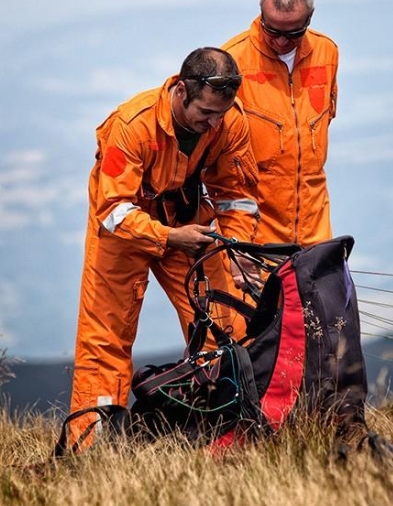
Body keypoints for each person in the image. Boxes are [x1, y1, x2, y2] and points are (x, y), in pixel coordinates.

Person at [69, 47, 260, 449]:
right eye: (205, 113)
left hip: (186, 221)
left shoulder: (229, 122)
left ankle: (223, 433)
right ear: (182, 90)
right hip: (122, 231)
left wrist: (240, 250)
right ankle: (91, 448)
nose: (212, 124)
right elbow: (112, 210)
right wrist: (170, 238)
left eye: (220, 114)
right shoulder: (132, 125)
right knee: (105, 340)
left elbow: (236, 197)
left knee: (223, 324)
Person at [222, 0, 338, 246]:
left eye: (293, 33)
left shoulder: (327, 52)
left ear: (309, 18)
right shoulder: (231, 60)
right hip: (254, 229)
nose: (281, 42)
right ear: (261, 12)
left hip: (315, 228)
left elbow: (324, 121)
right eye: (272, 30)